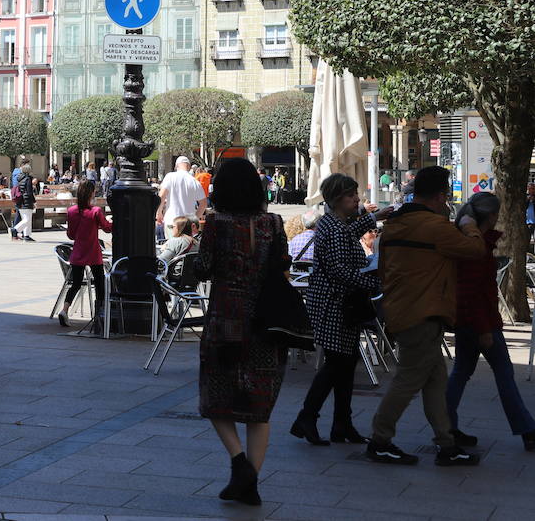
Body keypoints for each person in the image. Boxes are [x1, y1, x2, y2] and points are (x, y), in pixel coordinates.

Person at [367, 165, 485, 466]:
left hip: (402, 309)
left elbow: (382, 268)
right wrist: (469, 223)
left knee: (435, 381)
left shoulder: (394, 224)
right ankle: (380, 440)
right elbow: (475, 250)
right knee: (408, 380)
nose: (447, 202)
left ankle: (446, 444)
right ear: (438, 196)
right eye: (446, 196)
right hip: (424, 313)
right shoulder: (436, 227)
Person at [192, 156, 290, 507]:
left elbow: (203, 269)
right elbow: (283, 264)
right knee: (259, 405)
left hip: (226, 321)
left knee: (215, 399)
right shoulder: (274, 224)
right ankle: (251, 481)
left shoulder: (216, 225)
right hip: (266, 324)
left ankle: (239, 464)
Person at [290, 173, 380, 447]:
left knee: (345, 362)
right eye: (352, 195)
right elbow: (339, 270)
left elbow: (349, 232)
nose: (357, 199)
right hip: (334, 305)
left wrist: (378, 216)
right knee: (336, 364)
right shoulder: (335, 227)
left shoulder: (332, 223)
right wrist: (373, 280)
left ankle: (342, 424)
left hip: (337, 304)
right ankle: (308, 418)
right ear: (338, 198)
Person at [445, 191, 535, 451]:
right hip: (480, 322)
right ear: (493, 215)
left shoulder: (468, 241)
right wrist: (484, 328)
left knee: (462, 370)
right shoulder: (478, 247)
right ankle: (527, 429)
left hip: (468, 320)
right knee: (503, 373)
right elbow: (475, 291)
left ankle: (446, 424)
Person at [58, 179, 110, 328]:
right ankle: (99, 314)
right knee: (100, 284)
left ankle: (65, 310)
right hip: (93, 251)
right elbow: (106, 228)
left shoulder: (72, 211)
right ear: (91, 193)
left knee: (75, 284)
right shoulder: (95, 211)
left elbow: (71, 235)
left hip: (78, 251)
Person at [158, 156, 207, 244]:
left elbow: (161, 196)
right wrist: (194, 219)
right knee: (185, 252)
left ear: (176, 166)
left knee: (172, 251)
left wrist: (159, 213)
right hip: (188, 225)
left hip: (172, 222)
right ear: (188, 167)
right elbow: (203, 204)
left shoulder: (170, 177)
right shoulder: (194, 181)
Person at [11, 162, 37, 242]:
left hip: (20, 201)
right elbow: (29, 192)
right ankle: (15, 230)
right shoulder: (28, 179)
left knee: (27, 219)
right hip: (26, 201)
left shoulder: (20, 178)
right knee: (27, 220)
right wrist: (33, 201)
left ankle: (26, 235)